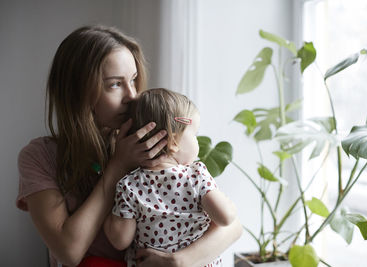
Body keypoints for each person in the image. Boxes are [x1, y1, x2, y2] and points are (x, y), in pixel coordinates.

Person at [16, 25, 242, 267]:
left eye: (133, 80)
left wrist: (179, 261)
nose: (132, 96)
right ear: (78, 92)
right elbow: (69, 252)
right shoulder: (40, 157)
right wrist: (118, 166)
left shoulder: (154, 138)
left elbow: (232, 225)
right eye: (115, 84)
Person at [104, 88, 237, 267]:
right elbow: (225, 218)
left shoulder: (130, 186)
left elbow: (120, 240)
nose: (197, 142)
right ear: (174, 142)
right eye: (194, 135)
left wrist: (108, 222)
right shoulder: (196, 176)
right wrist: (228, 204)